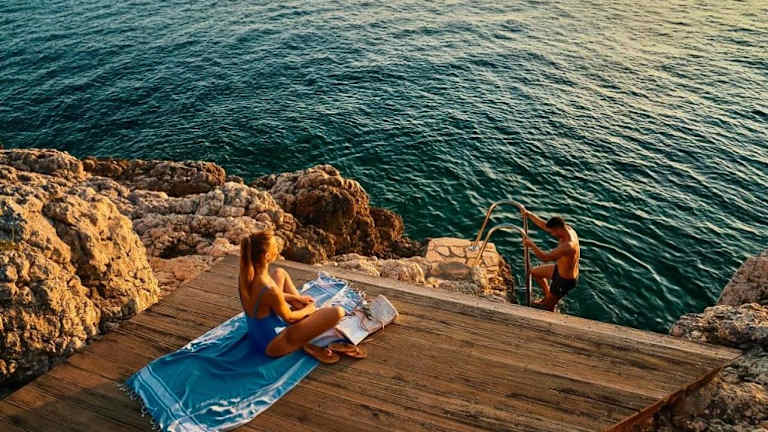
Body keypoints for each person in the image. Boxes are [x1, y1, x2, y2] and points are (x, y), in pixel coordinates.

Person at [238, 231, 346, 363]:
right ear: (267, 256)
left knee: (280, 273)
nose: (277, 249)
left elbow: (268, 298)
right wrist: (309, 309)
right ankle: (306, 330)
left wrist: (298, 299)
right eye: (275, 247)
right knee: (338, 312)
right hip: (272, 344)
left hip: (257, 333)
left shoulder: (246, 277)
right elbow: (289, 317)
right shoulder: (269, 289)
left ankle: (306, 320)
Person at [520, 209, 580, 311]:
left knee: (548, 307)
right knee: (534, 273)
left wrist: (531, 245)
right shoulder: (567, 229)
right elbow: (544, 225)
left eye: (552, 232)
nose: (551, 234)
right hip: (558, 269)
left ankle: (550, 307)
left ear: (558, 229)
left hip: (564, 280)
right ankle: (548, 295)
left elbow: (545, 258)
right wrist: (529, 214)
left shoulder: (568, 246)